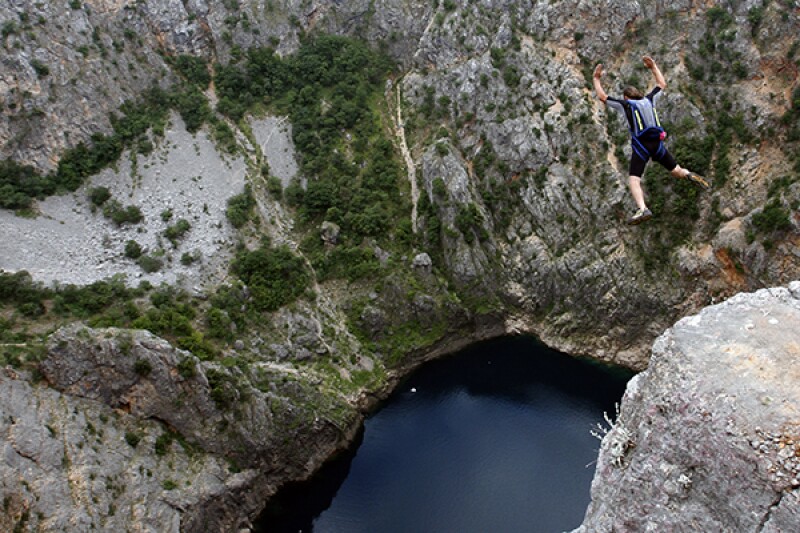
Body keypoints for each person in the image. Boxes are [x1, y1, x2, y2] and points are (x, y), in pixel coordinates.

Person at [593, 56, 709, 225]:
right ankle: (688, 174)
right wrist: (653, 66)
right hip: (657, 144)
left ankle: (642, 208)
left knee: (634, 180)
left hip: (642, 147)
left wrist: (596, 78)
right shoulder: (649, 99)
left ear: (626, 97)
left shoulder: (626, 105)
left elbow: (602, 96)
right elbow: (661, 84)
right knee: (675, 170)